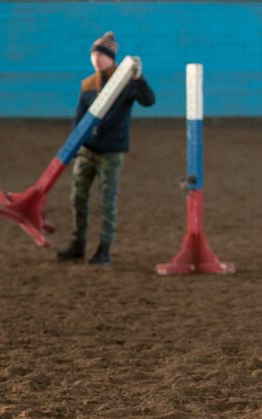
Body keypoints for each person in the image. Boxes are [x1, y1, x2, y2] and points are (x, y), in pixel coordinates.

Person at [57, 31, 155, 265]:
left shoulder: (127, 82)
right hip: (87, 150)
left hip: (111, 152)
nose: (96, 59)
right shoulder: (88, 84)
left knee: (107, 200)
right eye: (94, 54)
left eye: (101, 55)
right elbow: (79, 120)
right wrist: (71, 150)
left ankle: (104, 249)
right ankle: (78, 244)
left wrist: (140, 79)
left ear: (111, 57)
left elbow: (148, 100)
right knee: (77, 198)